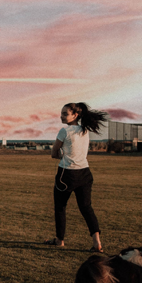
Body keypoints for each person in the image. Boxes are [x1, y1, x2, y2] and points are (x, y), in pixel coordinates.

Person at [44, 102, 108, 252]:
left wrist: (62, 155)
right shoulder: (85, 130)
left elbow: (54, 153)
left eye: (65, 114)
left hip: (66, 175)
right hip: (85, 173)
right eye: (61, 113)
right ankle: (96, 242)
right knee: (86, 208)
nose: (62, 116)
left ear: (75, 115)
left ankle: (60, 241)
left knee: (60, 208)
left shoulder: (64, 131)